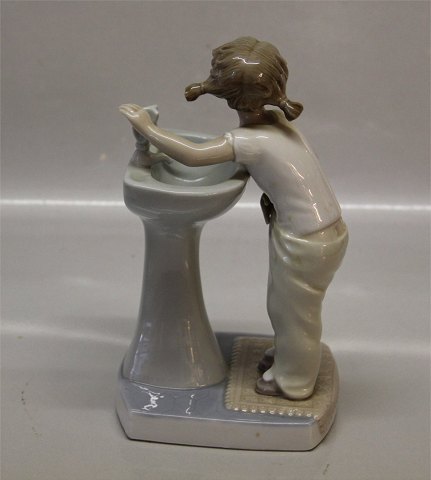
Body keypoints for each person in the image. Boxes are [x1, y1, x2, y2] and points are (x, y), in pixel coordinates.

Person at [120, 36, 348, 400]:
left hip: (307, 239)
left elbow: (194, 156)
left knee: (294, 314)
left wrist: (147, 128)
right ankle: (289, 356)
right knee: (288, 308)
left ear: (226, 94)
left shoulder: (250, 140)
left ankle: (294, 380)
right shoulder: (277, 120)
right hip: (323, 230)